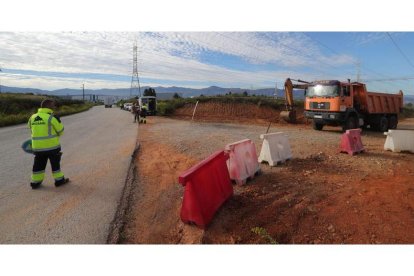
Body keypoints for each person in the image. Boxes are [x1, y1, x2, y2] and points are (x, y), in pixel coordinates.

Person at [28, 99, 69, 189]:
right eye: (53, 105)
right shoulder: (51, 118)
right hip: (52, 147)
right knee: (55, 165)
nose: (54, 107)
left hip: (37, 148)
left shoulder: (33, 117)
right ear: (49, 107)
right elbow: (61, 131)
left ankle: (35, 182)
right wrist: (59, 121)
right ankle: (59, 181)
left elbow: (30, 129)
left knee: (38, 165)